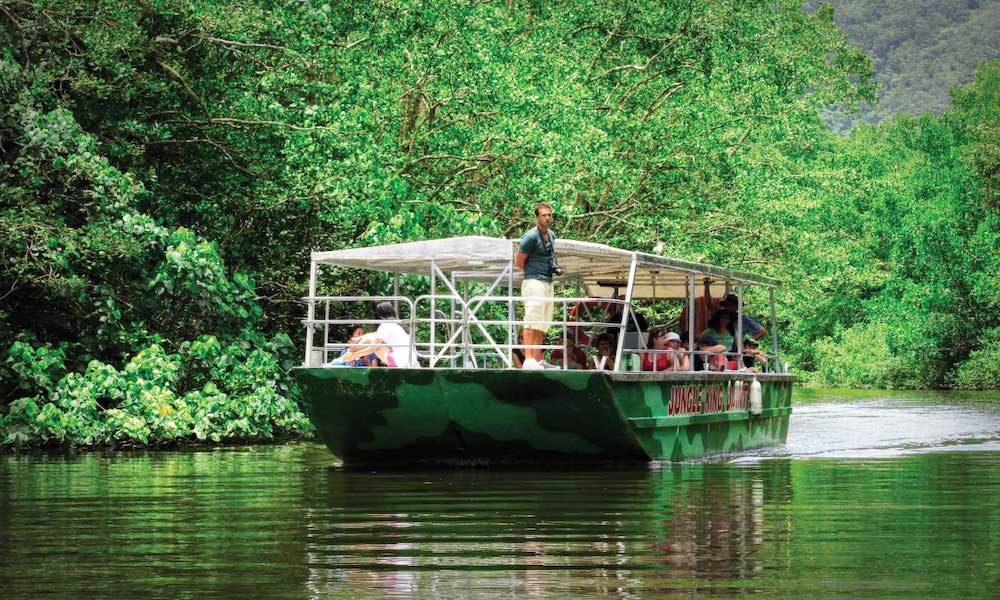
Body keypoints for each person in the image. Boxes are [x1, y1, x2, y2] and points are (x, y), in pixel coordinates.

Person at [515, 202, 558, 370]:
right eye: (543, 215)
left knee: (544, 322)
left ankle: (538, 360)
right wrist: (533, 274)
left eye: (549, 215)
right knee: (532, 319)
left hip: (548, 281)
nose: (547, 218)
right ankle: (528, 359)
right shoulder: (530, 236)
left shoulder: (552, 235)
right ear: (537, 217)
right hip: (534, 281)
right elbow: (519, 262)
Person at [336, 302, 414, 368]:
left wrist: (354, 355)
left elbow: (373, 348)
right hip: (410, 360)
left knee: (374, 344)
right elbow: (374, 334)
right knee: (371, 338)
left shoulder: (384, 326)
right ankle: (345, 355)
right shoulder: (398, 325)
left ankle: (344, 357)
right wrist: (360, 337)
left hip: (400, 362)